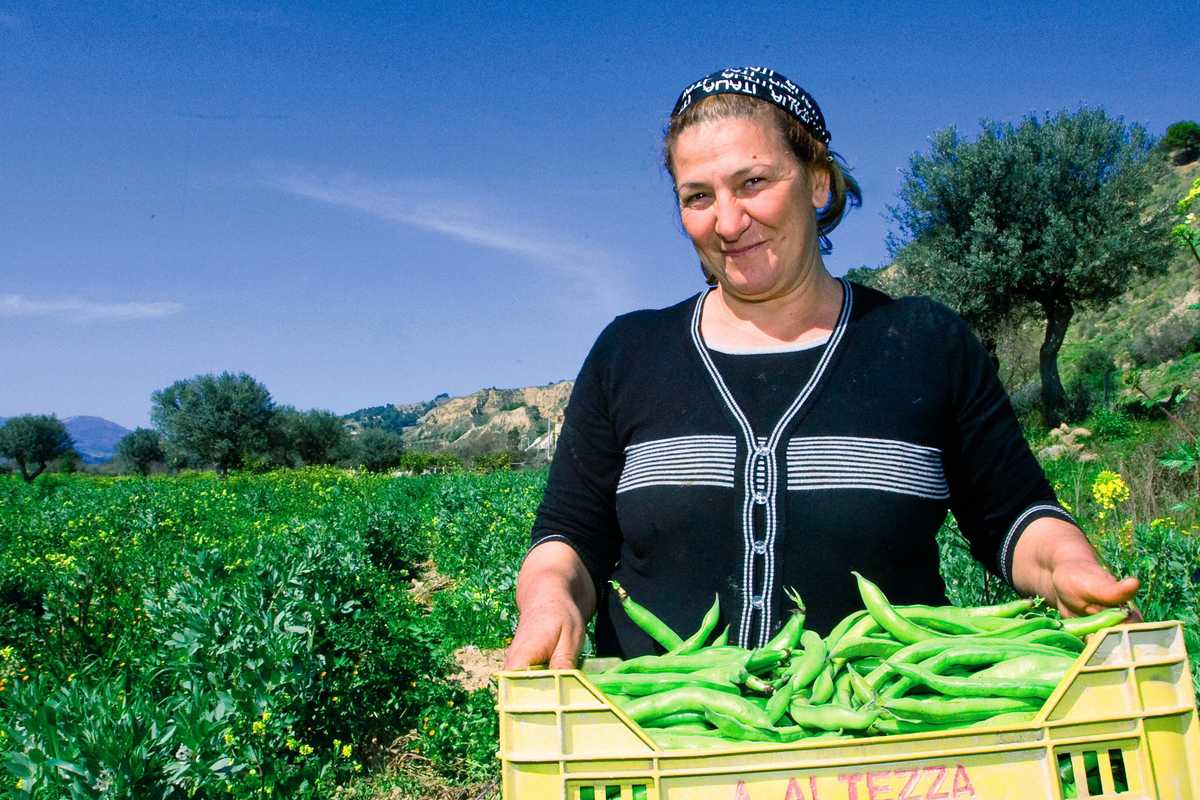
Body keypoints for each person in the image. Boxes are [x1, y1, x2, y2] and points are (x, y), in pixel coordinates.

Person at [503, 67, 1139, 670]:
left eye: (753, 183)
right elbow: (568, 538)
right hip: (661, 749)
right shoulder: (630, 352)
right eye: (698, 196)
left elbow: (1016, 520)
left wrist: (1067, 566)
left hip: (891, 749)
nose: (727, 221)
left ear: (817, 182)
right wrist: (549, 597)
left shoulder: (923, 343)